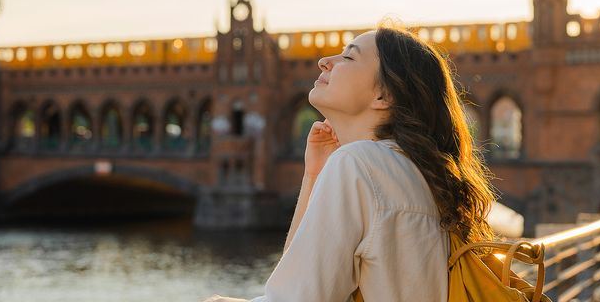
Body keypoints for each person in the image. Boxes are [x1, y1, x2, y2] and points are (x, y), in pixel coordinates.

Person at [205, 24, 498, 302]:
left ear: (383, 95)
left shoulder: (359, 165)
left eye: (348, 56)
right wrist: (315, 176)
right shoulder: (412, 169)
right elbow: (299, 276)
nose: (323, 61)